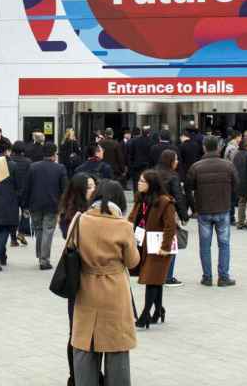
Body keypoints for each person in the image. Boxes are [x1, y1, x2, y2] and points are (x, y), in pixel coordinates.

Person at [69, 179, 138, 386]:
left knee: (84, 344)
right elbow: (132, 261)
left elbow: (69, 250)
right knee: (116, 345)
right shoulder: (123, 226)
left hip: (86, 286)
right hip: (115, 289)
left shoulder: (80, 220)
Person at [184, 135, 238, 287]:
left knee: (205, 245)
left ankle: (207, 277)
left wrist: (194, 207)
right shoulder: (228, 166)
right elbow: (236, 186)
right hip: (223, 209)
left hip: (204, 210)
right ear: (219, 148)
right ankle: (223, 277)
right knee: (224, 244)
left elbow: (188, 189)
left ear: (204, 147)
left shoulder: (196, 166)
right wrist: (230, 202)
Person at [129, 170, 177, 329]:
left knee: (151, 279)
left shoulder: (165, 202)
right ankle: (159, 310)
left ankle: (145, 315)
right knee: (155, 279)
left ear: (152, 184)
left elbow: (170, 226)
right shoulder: (141, 200)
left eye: (143, 181)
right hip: (142, 244)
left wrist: (165, 247)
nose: (139, 183)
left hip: (158, 246)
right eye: (139, 181)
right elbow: (131, 218)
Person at [23, 142, 68, 270]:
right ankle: (44, 259)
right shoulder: (60, 168)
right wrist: (64, 205)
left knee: (39, 230)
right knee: (48, 230)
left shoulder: (33, 167)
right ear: (54, 154)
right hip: (52, 204)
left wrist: (25, 205)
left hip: (35, 204)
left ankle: (40, 255)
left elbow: (27, 187)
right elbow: (65, 189)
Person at [155, 150, 189, 287]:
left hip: (153, 212)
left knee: (155, 241)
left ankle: (155, 273)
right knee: (170, 242)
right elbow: (179, 197)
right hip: (168, 212)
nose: (177, 162)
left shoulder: (153, 173)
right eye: (175, 160)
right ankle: (168, 276)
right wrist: (184, 216)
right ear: (170, 161)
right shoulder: (173, 176)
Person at [10, 141, 33, 247]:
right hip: (25, 192)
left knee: (13, 215)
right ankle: (21, 233)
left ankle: (13, 238)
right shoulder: (28, 162)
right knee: (25, 213)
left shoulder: (10, 161)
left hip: (13, 191)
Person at [58, 172, 95, 239]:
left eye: (94, 186)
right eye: (89, 187)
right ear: (79, 190)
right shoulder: (67, 212)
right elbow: (67, 235)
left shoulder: (97, 207)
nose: (93, 190)